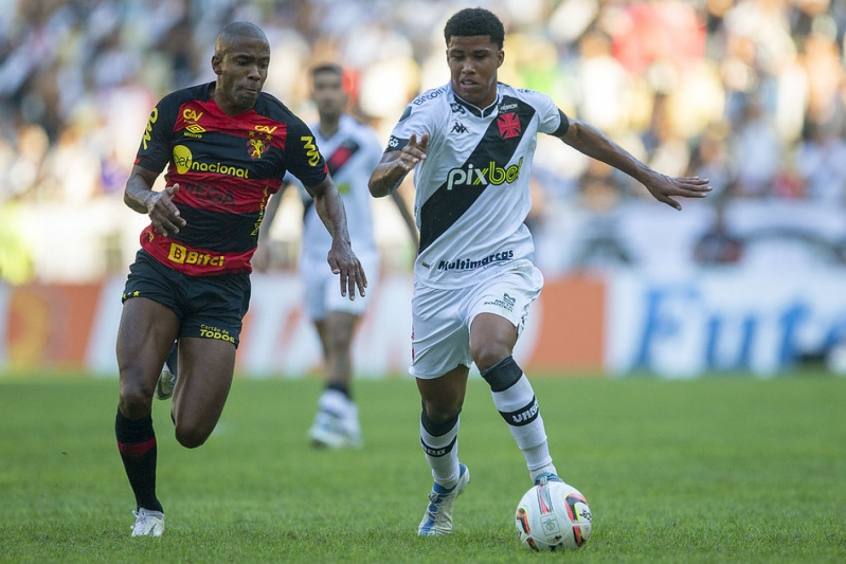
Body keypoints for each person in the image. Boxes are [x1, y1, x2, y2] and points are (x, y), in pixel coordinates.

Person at [368, 7, 710, 537]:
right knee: (440, 408)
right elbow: (378, 180)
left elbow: (577, 132)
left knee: (490, 349)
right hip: (438, 278)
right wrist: (394, 170)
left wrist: (646, 174)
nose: (467, 67)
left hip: (503, 266)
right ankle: (446, 486)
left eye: (479, 56)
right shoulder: (427, 113)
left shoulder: (526, 108)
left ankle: (546, 477)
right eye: (457, 56)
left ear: (501, 57)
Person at [115, 22, 366, 537]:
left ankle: (173, 354)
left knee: (190, 432)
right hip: (161, 268)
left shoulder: (286, 129)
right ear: (218, 65)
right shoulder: (176, 110)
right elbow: (135, 183)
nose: (255, 74)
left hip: (222, 287)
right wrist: (149, 200)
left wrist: (341, 243)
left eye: (263, 65)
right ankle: (148, 508)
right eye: (244, 63)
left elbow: (324, 190)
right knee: (135, 392)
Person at [254, 63, 418, 448]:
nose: (327, 93)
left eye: (334, 87)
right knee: (328, 340)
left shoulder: (363, 141)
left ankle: (329, 417)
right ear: (312, 93)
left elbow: (394, 192)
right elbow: (279, 195)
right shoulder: (299, 140)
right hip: (312, 257)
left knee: (341, 333)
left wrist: (416, 239)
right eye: (320, 86)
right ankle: (347, 415)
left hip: (357, 252)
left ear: (345, 95)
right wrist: (261, 239)